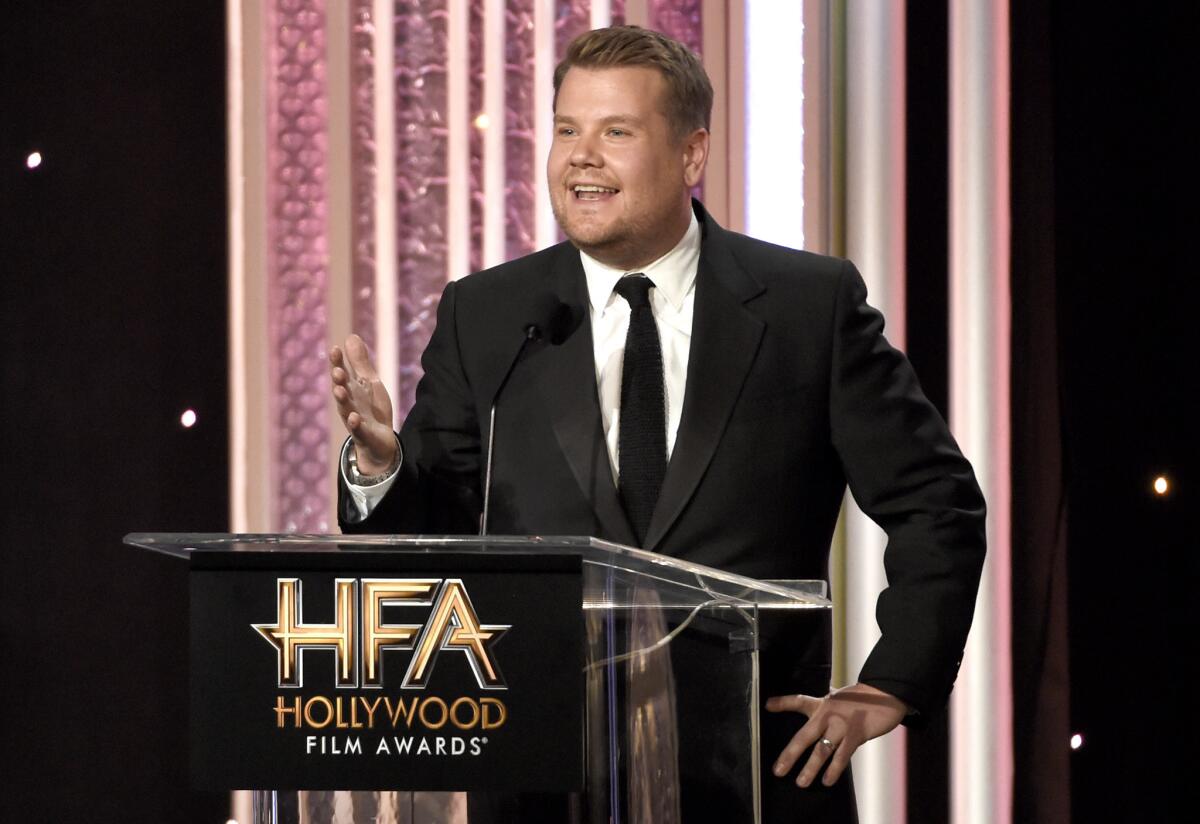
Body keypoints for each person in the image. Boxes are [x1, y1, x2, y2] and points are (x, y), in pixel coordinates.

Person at [330, 25, 985, 822]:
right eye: (567, 129)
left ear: (691, 155)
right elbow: (435, 532)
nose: (580, 157)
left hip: (756, 779)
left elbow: (936, 504)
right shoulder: (492, 314)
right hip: (544, 781)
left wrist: (893, 682)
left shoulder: (807, 307)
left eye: (616, 132)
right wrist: (381, 467)